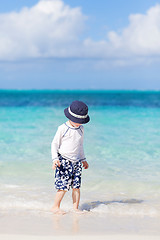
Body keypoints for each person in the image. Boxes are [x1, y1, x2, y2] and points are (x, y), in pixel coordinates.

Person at [51, 100, 90, 214]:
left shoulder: (81, 129)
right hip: (63, 161)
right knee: (63, 187)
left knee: (76, 187)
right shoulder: (62, 128)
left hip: (77, 161)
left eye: (81, 121)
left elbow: (80, 145)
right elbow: (54, 144)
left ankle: (75, 208)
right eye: (77, 121)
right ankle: (55, 206)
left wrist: (83, 159)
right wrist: (55, 159)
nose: (79, 123)